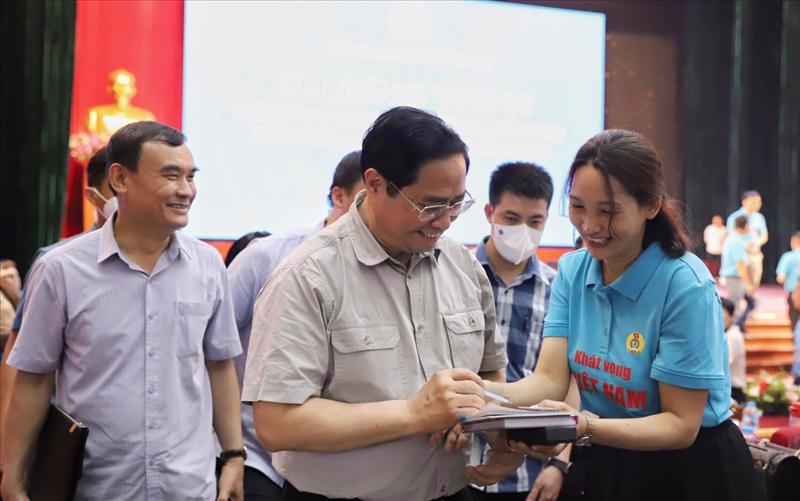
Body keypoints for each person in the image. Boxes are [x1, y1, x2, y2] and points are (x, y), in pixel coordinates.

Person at [469, 129, 765, 501]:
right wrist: (478, 396)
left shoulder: (684, 284)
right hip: (610, 461)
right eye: (577, 207)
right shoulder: (574, 270)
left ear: (651, 206)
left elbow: (680, 425)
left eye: (608, 212)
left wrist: (584, 425)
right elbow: (547, 381)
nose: (590, 226)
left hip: (690, 471)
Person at [241, 106, 509, 501]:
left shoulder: (462, 265)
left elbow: (489, 375)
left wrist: (471, 415)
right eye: (430, 205)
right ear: (376, 182)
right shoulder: (309, 275)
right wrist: (414, 413)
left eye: (456, 204)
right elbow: (278, 423)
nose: (445, 221)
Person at [1, 121, 245, 501]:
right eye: (170, 175)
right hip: (93, 486)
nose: (186, 191)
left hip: (187, 486)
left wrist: (233, 456)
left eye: (190, 177)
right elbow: (33, 378)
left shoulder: (208, 265)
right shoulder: (61, 269)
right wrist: (12, 478)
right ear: (119, 179)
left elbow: (219, 365)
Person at [226, 150, 364, 500]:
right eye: (366, 197)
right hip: (255, 452)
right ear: (339, 196)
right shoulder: (267, 256)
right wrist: (228, 450)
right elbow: (213, 348)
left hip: (341, 459)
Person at [0, 146, 115, 471]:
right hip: (75, 451)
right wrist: (7, 459)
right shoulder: (58, 262)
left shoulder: (194, 264)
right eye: (118, 187)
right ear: (94, 197)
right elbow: (20, 360)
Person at [470, 162, 575, 501]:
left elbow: (571, 381)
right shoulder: (457, 277)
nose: (523, 231)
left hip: (529, 474)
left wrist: (559, 464)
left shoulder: (557, 288)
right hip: (459, 467)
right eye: (512, 219)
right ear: (490, 212)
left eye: (535, 222)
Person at [726, 190, 768, 288]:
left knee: (754, 285)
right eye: (753, 202)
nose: (757, 205)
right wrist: (745, 245)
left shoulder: (759, 217)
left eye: (759, 202)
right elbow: (731, 237)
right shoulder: (734, 217)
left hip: (755, 255)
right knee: (741, 286)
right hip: (740, 255)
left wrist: (756, 242)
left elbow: (765, 236)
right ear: (744, 202)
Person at [720, 215, 755, 330]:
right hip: (734, 277)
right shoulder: (736, 241)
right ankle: (734, 331)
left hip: (733, 277)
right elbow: (740, 265)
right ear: (745, 226)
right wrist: (748, 283)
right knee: (735, 307)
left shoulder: (734, 238)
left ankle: (739, 327)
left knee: (751, 302)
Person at [721, 298, 746, 405]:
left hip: (733, 392)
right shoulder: (726, 333)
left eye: (722, 316)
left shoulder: (733, 336)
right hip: (728, 390)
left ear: (730, 316)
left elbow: (722, 364)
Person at [775, 231, 800, 330]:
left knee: (795, 324)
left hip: (794, 294)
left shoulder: (788, 257)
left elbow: (781, 278)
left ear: (794, 241)